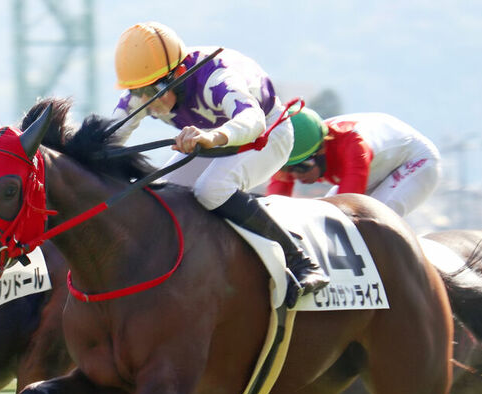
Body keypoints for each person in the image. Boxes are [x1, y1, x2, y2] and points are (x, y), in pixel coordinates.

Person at [110, 22, 328, 308]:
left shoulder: (216, 78)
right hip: (212, 141)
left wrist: (213, 137)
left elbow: (252, 121)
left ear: (177, 74)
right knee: (160, 195)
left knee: (211, 190)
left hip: (265, 136)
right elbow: (111, 135)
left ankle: (300, 260)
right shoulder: (144, 91)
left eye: (153, 91)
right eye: (139, 93)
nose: (147, 104)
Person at [267, 107, 442, 218]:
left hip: (416, 160)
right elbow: (275, 206)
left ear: (321, 150)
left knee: (373, 220)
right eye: (288, 169)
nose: (295, 176)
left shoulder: (353, 145)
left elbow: (347, 210)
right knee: (321, 218)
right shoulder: (298, 149)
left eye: (301, 167)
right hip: (377, 167)